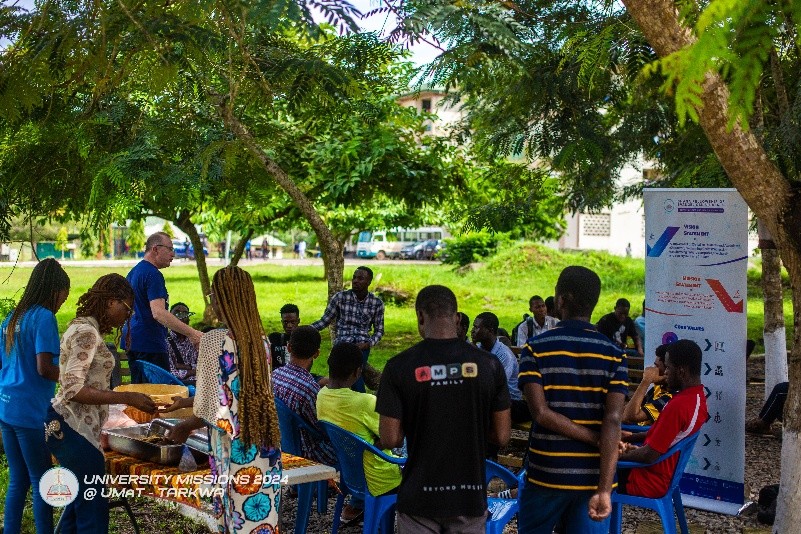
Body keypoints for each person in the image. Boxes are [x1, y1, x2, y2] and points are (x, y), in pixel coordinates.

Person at [376, 285, 511, 534]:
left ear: (420, 317)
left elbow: (390, 438)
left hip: (418, 499)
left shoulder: (398, 367)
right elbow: (502, 436)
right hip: (469, 498)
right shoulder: (490, 365)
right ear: (457, 318)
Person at [168, 266, 282, 533]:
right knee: (260, 518)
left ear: (226, 300)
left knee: (232, 519)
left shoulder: (214, 342)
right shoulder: (261, 342)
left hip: (229, 447)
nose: (212, 304)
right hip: (261, 445)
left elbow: (209, 406)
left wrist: (183, 426)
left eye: (214, 297)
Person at [518, 266, 628, 533]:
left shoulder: (535, 349)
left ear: (560, 300)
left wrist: (597, 440)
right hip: (594, 477)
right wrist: (604, 488)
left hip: (547, 473)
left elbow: (541, 413)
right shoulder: (614, 354)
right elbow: (613, 418)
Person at [45, 274, 158, 534]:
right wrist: (126, 398)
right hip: (73, 427)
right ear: (110, 302)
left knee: (78, 505)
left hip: (72, 427)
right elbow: (73, 388)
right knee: (92, 512)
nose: (127, 316)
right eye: (126, 308)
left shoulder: (84, 326)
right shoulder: (86, 332)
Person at [0, 258, 70, 534]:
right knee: (42, 479)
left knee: (18, 479)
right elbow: (44, 367)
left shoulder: (12, 317)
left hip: (6, 407)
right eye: (63, 296)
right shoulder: (43, 316)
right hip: (30, 412)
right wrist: (74, 379)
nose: (63, 303)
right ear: (55, 290)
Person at [317, 342, 403, 522]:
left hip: (351, 477)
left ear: (329, 364)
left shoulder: (322, 396)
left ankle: (358, 507)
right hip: (380, 481)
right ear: (358, 372)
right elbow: (394, 440)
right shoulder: (365, 402)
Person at [619, 339, 707, 498]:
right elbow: (664, 434)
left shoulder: (678, 405)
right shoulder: (697, 398)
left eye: (668, 368)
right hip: (661, 473)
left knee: (589, 468)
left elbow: (649, 455)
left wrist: (615, 453)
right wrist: (633, 438)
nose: (665, 373)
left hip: (646, 480)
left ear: (681, 371)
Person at [122, 232, 202, 383]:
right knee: (159, 396)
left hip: (132, 341)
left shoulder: (134, 272)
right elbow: (158, 313)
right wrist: (192, 333)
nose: (174, 254)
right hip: (150, 345)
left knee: (140, 393)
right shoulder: (153, 274)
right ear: (155, 249)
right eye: (170, 249)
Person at [271, 325, 337, 466]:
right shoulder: (309, 390)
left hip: (280, 443)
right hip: (305, 450)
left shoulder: (275, 375)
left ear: (288, 347)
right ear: (317, 353)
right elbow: (322, 430)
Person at [312, 266, 384, 393]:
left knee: (353, 374)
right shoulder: (340, 297)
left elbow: (379, 330)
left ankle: (355, 401)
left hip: (361, 346)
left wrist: (368, 344)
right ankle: (357, 401)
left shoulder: (376, 303)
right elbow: (324, 321)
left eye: (360, 278)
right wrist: (306, 330)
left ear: (369, 282)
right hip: (342, 344)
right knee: (346, 376)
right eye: (354, 277)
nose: (355, 281)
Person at [472, 312, 530, 423]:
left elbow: (496, 387)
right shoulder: (479, 348)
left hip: (510, 403)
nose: (473, 330)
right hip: (491, 400)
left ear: (490, 330)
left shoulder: (504, 355)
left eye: (477, 327)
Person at [622, 344, 673, 425]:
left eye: (656, 366)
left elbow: (629, 417)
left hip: (637, 433)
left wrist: (646, 381)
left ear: (667, 370)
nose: (652, 369)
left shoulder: (670, 398)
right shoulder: (658, 388)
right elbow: (626, 410)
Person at [165, 302, 198, 384]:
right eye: (176, 313)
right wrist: (192, 371)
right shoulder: (165, 342)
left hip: (199, 384)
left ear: (189, 319)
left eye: (185, 313)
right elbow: (171, 374)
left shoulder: (195, 340)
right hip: (177, 386)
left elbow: (204, 367)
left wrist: (185, 367)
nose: (181, 317)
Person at [267, 303, 300, 370]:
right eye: (286, 322)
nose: (289, 326)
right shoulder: (274, 339)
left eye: (292, 322)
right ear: (282, 322)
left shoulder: (303, 340)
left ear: (298, 321)